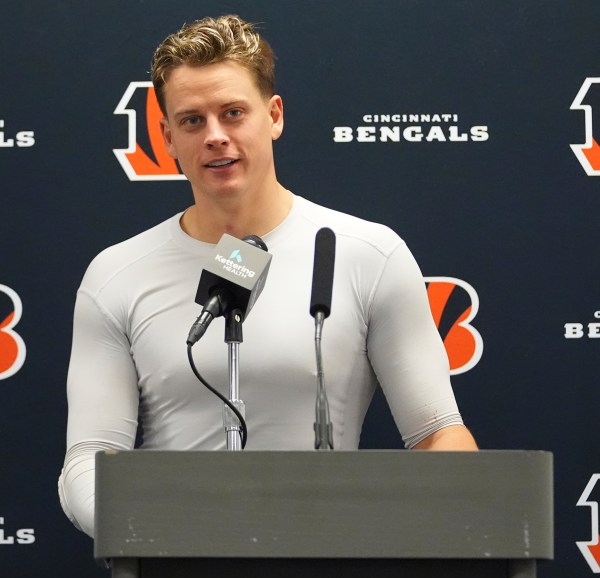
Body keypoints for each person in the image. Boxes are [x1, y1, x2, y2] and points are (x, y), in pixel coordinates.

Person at [58, 14, 477, 538]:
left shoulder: (367, 254)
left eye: (233, 113)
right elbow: (88, 459)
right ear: (166, 137)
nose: (215, 137)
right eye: (191, 121)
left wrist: (392, 530)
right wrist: (161, 531)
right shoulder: (117, 274)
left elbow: (440, 434)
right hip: (173, 568)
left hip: (332, 563)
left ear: (274, 115)